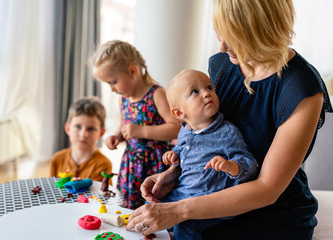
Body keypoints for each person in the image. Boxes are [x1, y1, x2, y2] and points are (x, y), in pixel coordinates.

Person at [127, 1, 333, 239]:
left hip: (270, 213)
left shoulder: (300, 87)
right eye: (219, 32)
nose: (223, 46)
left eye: (234, 36)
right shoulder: (222, 64)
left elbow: (267, 190)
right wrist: (176, 173)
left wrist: (178, 210)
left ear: (265, 29)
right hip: (211, 198)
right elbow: (205, 135)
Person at [161, 69, 258, 239]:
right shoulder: (184, 131)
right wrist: (174, 156)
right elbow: (183, 152)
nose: (206, 93)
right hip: (184, 192)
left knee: (187, 225)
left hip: (209, 201)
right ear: (179, 113)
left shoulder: (227, 132)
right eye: (195, 92)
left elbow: (250, 164)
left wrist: (231, 166)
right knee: (152, 204)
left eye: (209, 87)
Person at [91, 40, 181, 209]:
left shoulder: (157, 94)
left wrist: (142, 131)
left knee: (155, 204)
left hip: (155, 163)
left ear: (133, 71)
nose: (111, 88)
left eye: (113, 81)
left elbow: (176, 127)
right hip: (132, 163)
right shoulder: (123, 99)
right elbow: (125, 124)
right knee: (129, 206)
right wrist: (117, 136)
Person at [50, 97, 112, 183]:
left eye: (91, 129)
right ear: (68, 129)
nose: (83, 134)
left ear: (101, 133)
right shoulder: (57, 159)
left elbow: (102, 194)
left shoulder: (103, 164)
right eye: (78, 127)